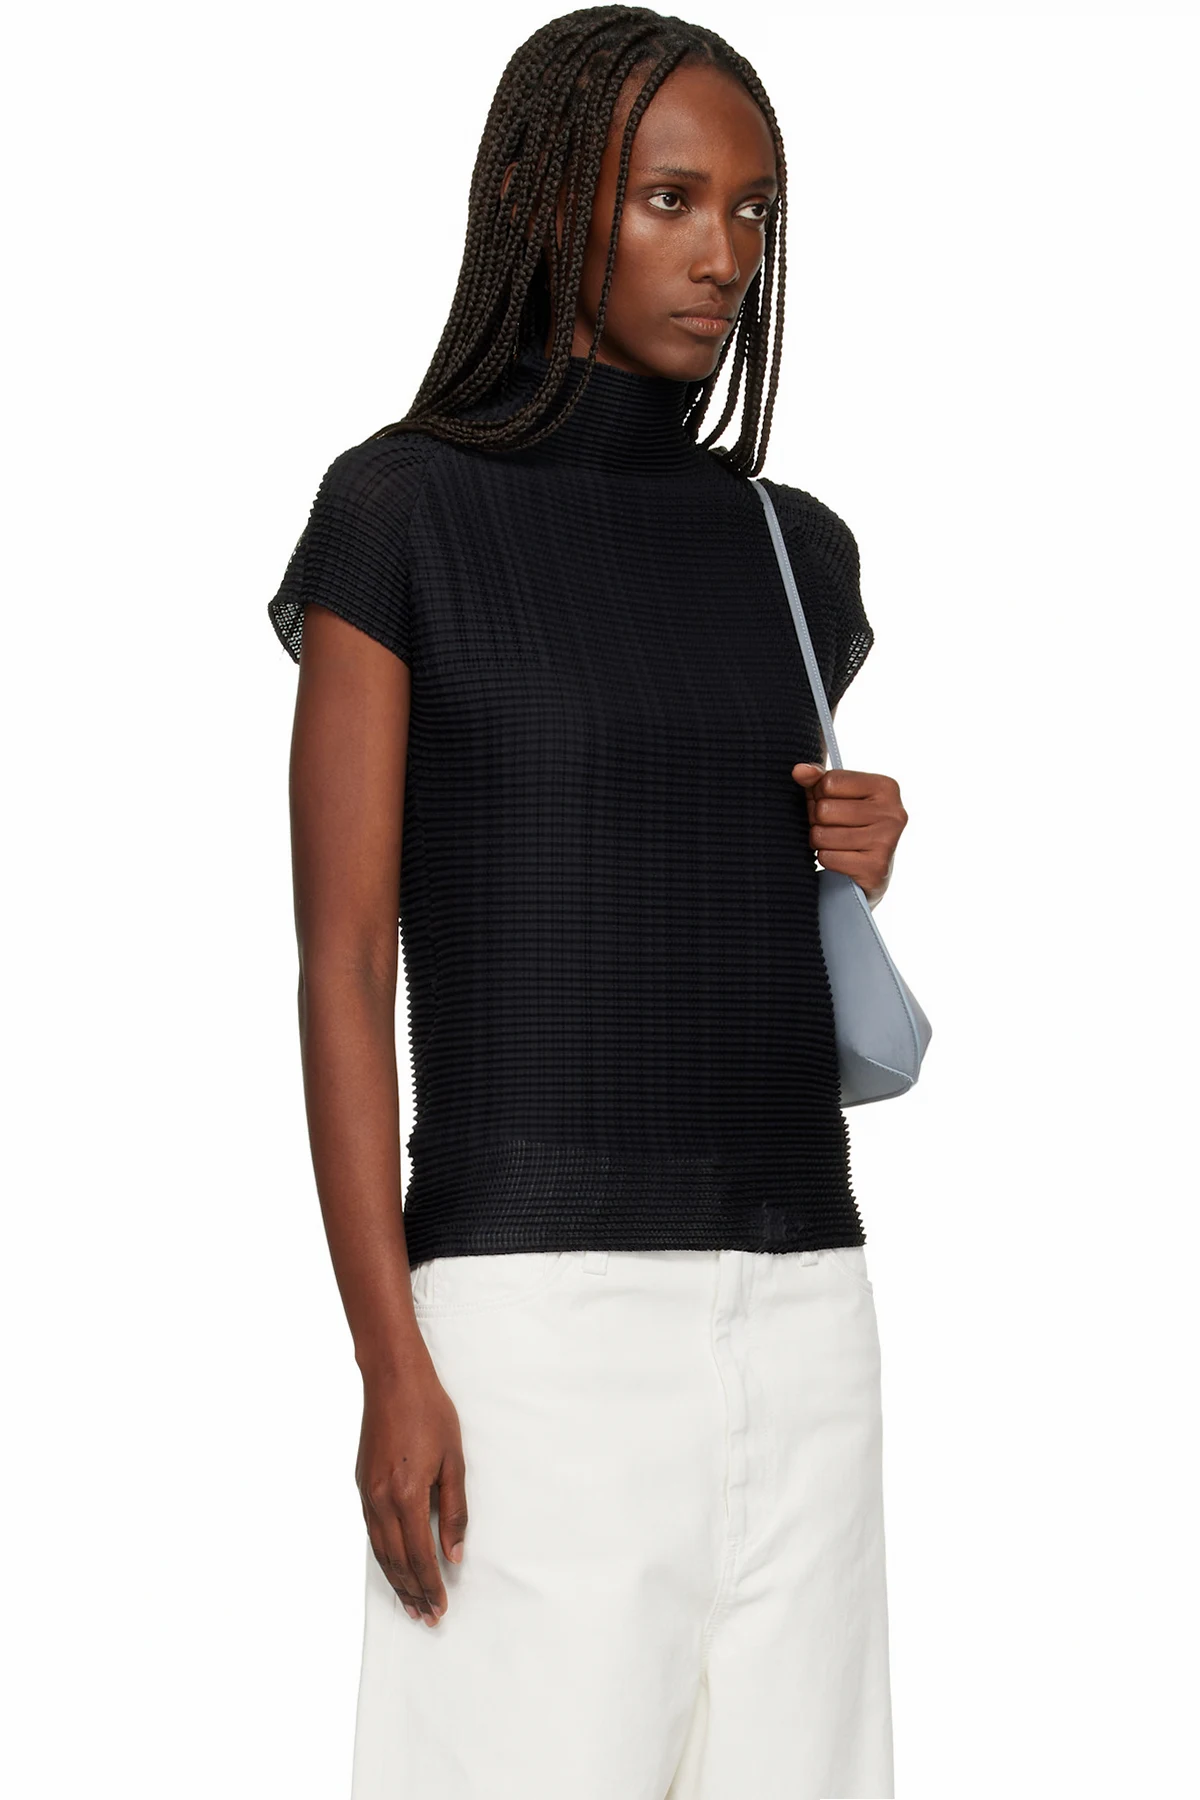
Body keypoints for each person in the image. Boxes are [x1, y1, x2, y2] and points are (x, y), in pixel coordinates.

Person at [267, 9, 909, 1797]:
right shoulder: (403, 514)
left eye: (755, 210)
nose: (726, 254)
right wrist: (391, 1357)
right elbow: (343, 963)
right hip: (531, 1324)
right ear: (550, 202)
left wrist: (854, 841)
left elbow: (700, 853)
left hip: (805, 1299)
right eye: (671, 199)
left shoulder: (794, 549)